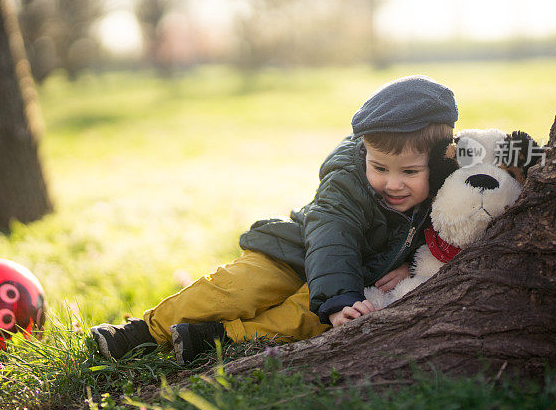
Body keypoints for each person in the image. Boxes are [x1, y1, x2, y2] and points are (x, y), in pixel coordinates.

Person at [90, 75, 458, 364]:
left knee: (301, 321)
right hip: (294, 255)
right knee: (234, 289)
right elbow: (333, 238)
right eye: (379, 167)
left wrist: (410, 265)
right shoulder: (346, 181)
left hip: (347, 283)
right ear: (364, 153)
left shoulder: (447, 186)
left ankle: (213, 339)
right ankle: (139, 333)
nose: (392, 184)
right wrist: (339, 299)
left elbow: (444, 230)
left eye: (409, 172)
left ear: (440, 162)